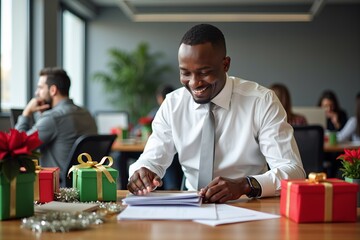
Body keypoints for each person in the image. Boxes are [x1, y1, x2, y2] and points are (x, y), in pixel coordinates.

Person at [127, 23, 305, 203]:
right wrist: (143, 172)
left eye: (204, 72)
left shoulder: (262, 101)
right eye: (185, 73)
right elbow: (151, 159)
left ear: (225, 64)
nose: (194, 83)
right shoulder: (173, 104)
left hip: (248, 205)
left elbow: (293, 171)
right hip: (191, 206)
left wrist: (244, 185)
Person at [15, 67, 97, 187]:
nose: (36, 93)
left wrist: (26, 113)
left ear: (53, 90)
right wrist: (42, 116)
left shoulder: (53, 118)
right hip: (87, 186)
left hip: (57, 190)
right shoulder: (86, 113)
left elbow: (18, 146)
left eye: (40, 88)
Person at [117, 84, 183, 190]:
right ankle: (172, 186)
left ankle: (124, 187)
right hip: (167, 159)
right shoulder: (169, 107)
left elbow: (137, 130)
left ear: (159, 98)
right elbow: (155, 154)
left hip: (169, 158)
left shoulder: (159, 110)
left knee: (121, 156)